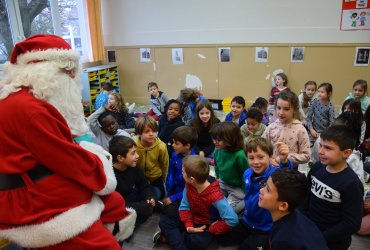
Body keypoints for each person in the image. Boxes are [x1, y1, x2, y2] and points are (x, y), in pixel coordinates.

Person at [0, 34, 136, 249]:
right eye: (67, 70)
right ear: (44, 72)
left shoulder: (21, 101)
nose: (74, 77)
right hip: (37, 203)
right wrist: (101, 167)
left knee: (114, 203)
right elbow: (68, 160)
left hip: (31, 190)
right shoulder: (31, 109)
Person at [217, 137, 292, 249]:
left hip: (265, 227)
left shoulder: (274, 174)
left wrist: (284, 162)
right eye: (251, 158)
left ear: (270, 157)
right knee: (221, 238)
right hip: (248, 220)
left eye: (261, 157)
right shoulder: (247, 173)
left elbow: (286, 175)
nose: (256, 162)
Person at [301, 125, 364, 250]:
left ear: (346, 153)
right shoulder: (317, 167)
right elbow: (306, 195)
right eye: (321, 145)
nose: (320, 151)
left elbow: (352, 224)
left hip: (332, 243)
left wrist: (321, 237)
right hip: (309, 231)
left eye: (328, 148)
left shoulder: (351, 184)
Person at [159, 155, 238, 250]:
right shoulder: (189, 185)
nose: (182, 174)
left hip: (204, 225)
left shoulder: (215, 196)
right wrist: (189, 226)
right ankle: (179, 240)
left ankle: (173, 238)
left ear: (192, 179)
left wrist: (213, 228)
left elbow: (232, 219)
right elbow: (184, 207)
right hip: (191, 218)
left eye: (183, 172)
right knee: (164, 220)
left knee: (198, 243)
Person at [258, 168, 328, 250]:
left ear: (283, 206)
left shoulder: (284, 240)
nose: (261, 190)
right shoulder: (296, 215)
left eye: (268, 190)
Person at [153, 126, 198, 244]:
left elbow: (190, 190)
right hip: (174, 193)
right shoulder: (175, 155)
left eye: (176, 143)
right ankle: (170, 234)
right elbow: (170, 174)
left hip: (185, 197)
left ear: (187, 146)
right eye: (173, 142)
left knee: (169, 214)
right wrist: (168, 191)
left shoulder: (193, 163)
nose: (172, 145)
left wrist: (173, 198)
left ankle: (170, 236)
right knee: (165, 210)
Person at [109, 136, 158, 225]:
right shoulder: (110, 177)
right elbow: (115, 204)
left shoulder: (133, 167)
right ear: (120, 158)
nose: (137, 156)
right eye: (133, 153)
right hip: (120, 204)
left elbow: (144, 185)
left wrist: (149, 196)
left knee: (155, 193)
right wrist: (141, 207)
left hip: (132, 195)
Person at [263, 91, 311, 166]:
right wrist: (269, 158)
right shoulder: (271, 127)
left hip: (289, 172)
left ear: (295, 109)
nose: (281, 112)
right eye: (279, 108)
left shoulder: (300, 130)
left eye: (286, 109)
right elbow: (262, 147)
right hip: (270, 169)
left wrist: (285, 158)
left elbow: (306, 156)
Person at [211, 122, 249, 213]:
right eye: (214, 139)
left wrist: (246, 193)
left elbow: (246, 174)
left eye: (219, 139)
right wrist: (218, 178)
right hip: (223, 182)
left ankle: (247, 201)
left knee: (229, 210)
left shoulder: (239, 155)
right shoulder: (217, 149)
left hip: (238, 187)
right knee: (210, 199)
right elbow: (216, 165)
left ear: (230, 139)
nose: (215, 142)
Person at [135, 115, 169, 200]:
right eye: (147, 132)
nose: (151, 134)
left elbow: (164, 164)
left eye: (154, 131)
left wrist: (164, 179)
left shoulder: (161, 146)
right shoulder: (134, 146)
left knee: (158, 196)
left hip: (156, 177)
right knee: (139, 196)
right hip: (140, 178)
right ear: (139, 133)